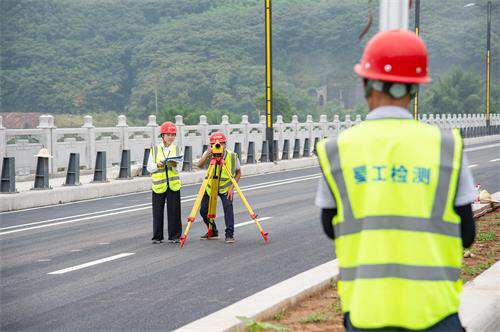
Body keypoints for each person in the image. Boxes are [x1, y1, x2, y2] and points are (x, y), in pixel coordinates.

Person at [315, 29, 476, 332]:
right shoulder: (447, 147)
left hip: (366, 313)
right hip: (435, 313)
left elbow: (329, 226)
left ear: (366, 84)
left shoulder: (338, 150)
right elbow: (466, 233)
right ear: (414, 88)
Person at [197, 132, 241, 243]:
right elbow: (199, 165)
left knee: (228, 208)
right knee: (203, 211)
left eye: (221, 143)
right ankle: (213, 231)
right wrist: (207, 155)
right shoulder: (209, 154)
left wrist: (231, 188)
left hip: (226, 188)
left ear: (225, 144)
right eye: (215, 144)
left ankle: (229, 234)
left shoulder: (232, 156)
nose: (218, 146)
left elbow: (238, 173)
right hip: (210, 187)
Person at [147, 121, 183, 244]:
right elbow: (149, 167)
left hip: (173, 185)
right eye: (168, 135)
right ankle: (157, 237)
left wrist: (174, 165)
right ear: (163, 135)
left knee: (174, 211)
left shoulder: (177, 149)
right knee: (157, 212)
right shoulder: (155, 149)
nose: (171, 137)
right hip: (158, 185)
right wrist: (157, 164)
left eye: (173, 135)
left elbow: (179, 168)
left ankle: (175, 236)